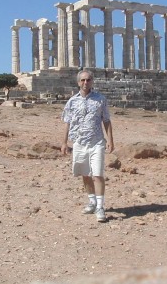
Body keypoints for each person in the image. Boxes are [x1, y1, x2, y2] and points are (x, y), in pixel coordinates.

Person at [61, 70, 114, 222]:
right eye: (83, 80)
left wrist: (110, 140)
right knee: (85, 174)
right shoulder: (72, 101)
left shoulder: (100, 99)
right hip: (79, 142)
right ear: (78, 82)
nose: (86, 82)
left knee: (97, 174)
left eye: (88, 80)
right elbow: (67, 122)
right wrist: (64, 142)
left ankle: (100, 207)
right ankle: (92, 201)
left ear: (92, 82)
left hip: (97, 141)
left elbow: (107, 120)